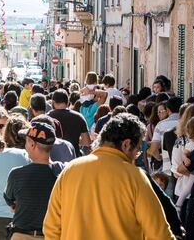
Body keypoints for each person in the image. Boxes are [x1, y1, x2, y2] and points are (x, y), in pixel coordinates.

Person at [43, 113, 176, 239]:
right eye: (137, 150)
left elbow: (51, 227)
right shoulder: (135, 177)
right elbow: (159, 234)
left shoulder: (70, 170)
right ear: (126, 144)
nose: (136, 156)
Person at [4, 122, 64, 240]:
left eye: (26, 141)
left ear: (32, 144)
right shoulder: (62, 173)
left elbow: (10, 200)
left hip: (21, 235)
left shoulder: (16, 174)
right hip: (52, 236)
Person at [150, 97, 183, 196]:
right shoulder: (187, 123)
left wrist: (159, 157)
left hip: (168, 168)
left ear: (168, 110)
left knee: (170, 199)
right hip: (186, 168)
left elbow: (153, 149)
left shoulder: (161, 125)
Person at [48, 89, 91, 156]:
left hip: (53, 157)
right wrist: (75, 141)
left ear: (53, 102)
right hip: (73, 156)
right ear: (68, 102)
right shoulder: (79, 117)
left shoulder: (47, 117)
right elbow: (87, 142)